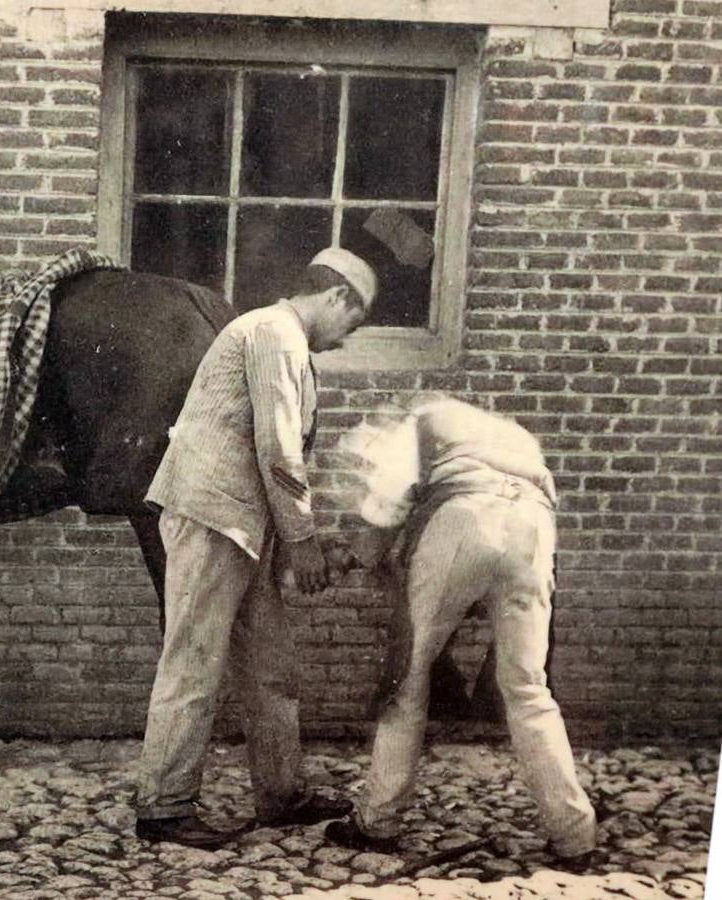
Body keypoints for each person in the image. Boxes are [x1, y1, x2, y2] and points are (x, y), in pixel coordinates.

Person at [134, 247, 377, 849]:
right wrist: (304, 542)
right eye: (354, 320)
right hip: (214, 517)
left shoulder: (280, 337)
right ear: (337, 297)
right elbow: (279, 448)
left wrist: (295, 538)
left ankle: (281, 794)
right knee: (193, 661)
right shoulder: (273, 332)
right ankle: (162, 809)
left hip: (247, 525)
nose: (348, 338)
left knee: (271, 667)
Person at [324, 394, 598, 863]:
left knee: (406, 679)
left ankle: (378, 821)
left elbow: (389, 500)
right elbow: (543, 501)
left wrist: (359, 553)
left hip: (464, 517)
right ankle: (575, 836)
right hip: (534, 529)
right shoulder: (514, 434)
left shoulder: (422, 415)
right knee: (529, 689)